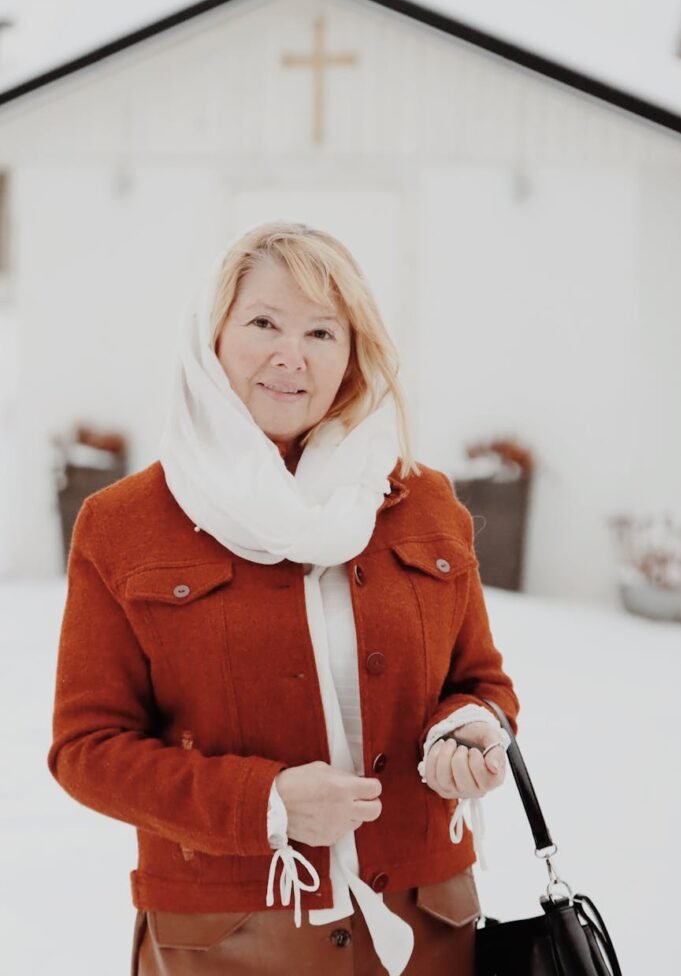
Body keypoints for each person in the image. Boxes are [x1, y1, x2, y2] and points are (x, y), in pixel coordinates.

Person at [47, 221, 520, 976]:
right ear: (214, 338)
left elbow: (480, 686)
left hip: (425, 935)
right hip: (224, 943)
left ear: (352, 353)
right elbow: (86, 750)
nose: (289, 356)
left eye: (321, 332)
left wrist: (468, 732)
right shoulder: (124, 525)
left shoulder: (423, 502)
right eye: (263, 322)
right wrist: (260, 802)